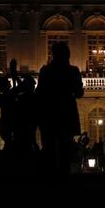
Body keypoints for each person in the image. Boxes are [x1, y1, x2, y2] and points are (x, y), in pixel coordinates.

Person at [36, 42, 84, 175]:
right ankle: (64, 180)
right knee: (65, 151)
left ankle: (50, 180)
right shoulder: (73, 71)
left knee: (49, 149)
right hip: (67, 113)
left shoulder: (45, 70)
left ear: (53, 55)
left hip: (49, 114)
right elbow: (79, 93)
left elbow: (39, 93)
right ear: (67, 55)